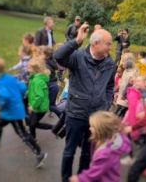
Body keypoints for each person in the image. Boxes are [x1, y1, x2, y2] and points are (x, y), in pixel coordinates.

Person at [54, 24, 116, 182]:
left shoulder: (110, 64)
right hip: (75, 114)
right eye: (108, 43)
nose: (111, 46)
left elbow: (109, 86)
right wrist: (76, 41)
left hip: (96, 117)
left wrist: (106, 103)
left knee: (88, 152)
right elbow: (58, 56)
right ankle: (66, 178)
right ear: (96, 43)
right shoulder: (78, 56)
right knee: (69, 151)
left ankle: (82, 178)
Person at [0, 56, 47, 168]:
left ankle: (39, 153)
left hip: (13, 113)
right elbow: (22, 88)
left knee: (22, 134)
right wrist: (17, 98)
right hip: (11, 110)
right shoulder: (9, 78)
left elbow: (4, 96)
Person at [69, 111, 131, 182]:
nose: (90, 129)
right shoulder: (111, 140)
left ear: (101, 130)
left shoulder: (106, 153)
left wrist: (79, 179)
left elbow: (96, 171)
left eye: (92, 127)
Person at [27, 58, 53, 139]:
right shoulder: (35, 78)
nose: (27, 68)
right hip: (37, 105)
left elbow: (39, 96)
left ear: (35, 69)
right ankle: (54, 127)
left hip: (39, 107)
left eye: (29, 67)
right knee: (32, 123)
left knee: (32, 124)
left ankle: (33, 137)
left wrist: (33, 106)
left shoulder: (37, 81)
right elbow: (34, 91)